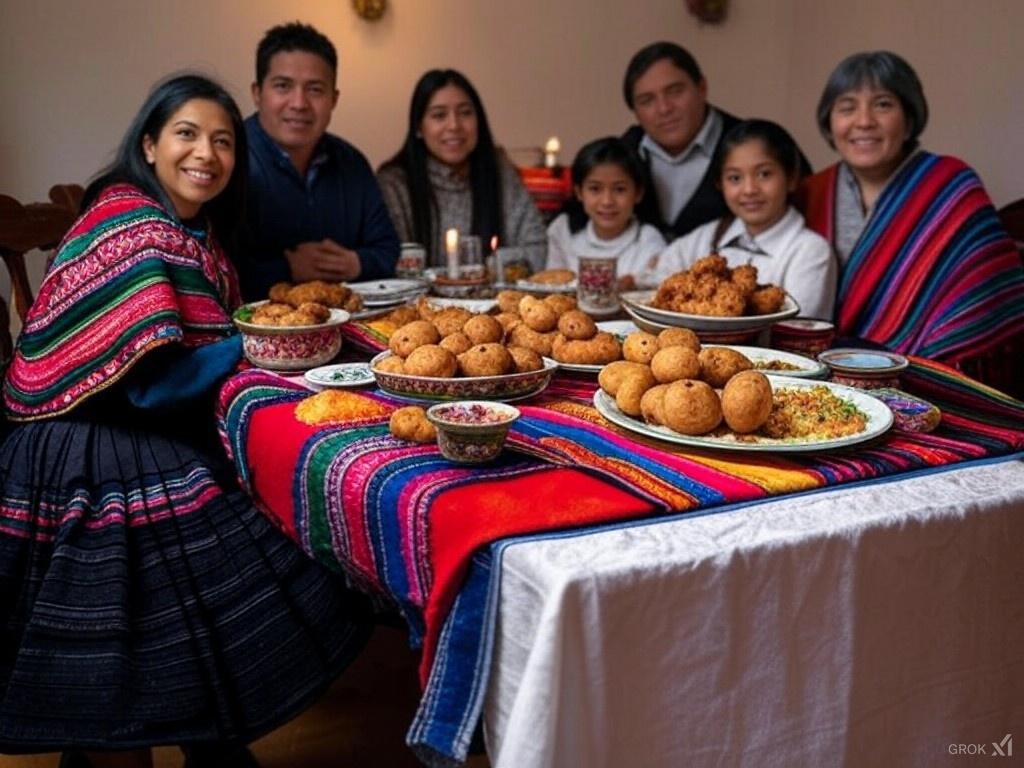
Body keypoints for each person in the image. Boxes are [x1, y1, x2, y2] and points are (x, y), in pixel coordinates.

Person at [0, 74, 372, 767]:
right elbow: (147, 385)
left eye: (224, 140)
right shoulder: (129, 223)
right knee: (196, 533)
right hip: (84, 445)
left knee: (216, 531)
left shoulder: (191, 233)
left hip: (141, 432)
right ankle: (174, 742)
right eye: (187, 134)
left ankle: (201, 738)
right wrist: (261, 344)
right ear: (149, 143)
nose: (207, 153)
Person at [799, 51, 1024, 381]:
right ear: (830, 123)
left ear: (909, 117)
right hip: (820, 372)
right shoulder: (810, 191)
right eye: (847, 107)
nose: (864, 121)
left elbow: (985, 293)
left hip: (927, 376)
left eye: (883, 105)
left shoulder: (951, 184)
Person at [236, 22, 399, 300]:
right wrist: (287, 268)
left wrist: (355, 263)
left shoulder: (352, 162)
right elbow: (216, 269)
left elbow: (388, 249)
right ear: (257, 93)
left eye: (315, 89)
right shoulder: (230, 158)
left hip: (348, 327)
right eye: (283, 86)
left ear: (334, 99)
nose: (299, 103)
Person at [616, 42, 811, 243]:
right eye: (647, 101)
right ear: (635, 112)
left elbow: (807, 218)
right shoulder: (621, 155)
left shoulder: (759, 143)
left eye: (675, 91)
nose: (664, 108)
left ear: (702, 88)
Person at [658, 120, 837, 319]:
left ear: (792, 177)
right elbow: (661, 277)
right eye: (735, 178)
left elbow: (801, 327)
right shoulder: (712, 235)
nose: (750, 189)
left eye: (764, 174)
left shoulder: (810, 250)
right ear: (720, 184)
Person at [376, 69, 547, 272]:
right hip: (417, 303)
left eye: (465, 113)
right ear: (418, 128)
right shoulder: (395, 183)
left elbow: (537, 248)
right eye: (439, 115)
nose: (454, 125)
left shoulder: (499, 171)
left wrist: (490, 269)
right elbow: (392, 262)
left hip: (493, 299)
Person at [546, 137, 665, 289]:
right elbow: (550, 287)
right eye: (595, 189)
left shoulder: (648, 240)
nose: (607, 201)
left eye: (619, 189)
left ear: (638, 193)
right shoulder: (562, 230)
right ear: (579, 192)